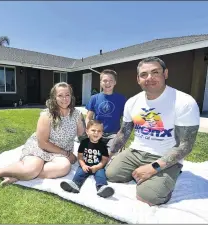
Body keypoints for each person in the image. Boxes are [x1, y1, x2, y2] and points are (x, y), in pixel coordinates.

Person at [105, 56, 200, 206]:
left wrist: (153, 168)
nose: (149, 78)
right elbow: (124, 133)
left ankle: (167, 175)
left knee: (148, 196)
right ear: (138, 79)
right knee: (111, 175)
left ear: (165, 74)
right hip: (136, 151)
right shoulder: (132, 102)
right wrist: (108, 154)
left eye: (155, 72)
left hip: (166, 156)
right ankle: (140, 171)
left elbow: (185, 145)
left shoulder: (184, 102)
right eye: (144, 74)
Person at [0, 82, 86, 185]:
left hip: (60, 152)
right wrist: (67, 154)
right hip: (41, 148)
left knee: (64, 167)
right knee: (31, 169)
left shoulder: (77, 114)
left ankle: (20, 175)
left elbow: (82, 136)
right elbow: (43, 143)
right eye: (60, 95)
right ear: (54, 98)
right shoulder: (47, 115)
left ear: (71, 96)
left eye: (67, 95)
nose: (64, 99)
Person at [60, 119, 114, 198]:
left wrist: (98, 167)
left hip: (98, 166)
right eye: (93, 130)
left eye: (99, 131)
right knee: (79, 173)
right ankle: (75, 184)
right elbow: (80, 157)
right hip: (85, 164)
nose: (96, 133)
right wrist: (83, 165)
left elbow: (104, 159)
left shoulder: (103, 145)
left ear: (102, 133)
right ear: (87, 131)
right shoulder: (84, 143)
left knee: (101, 175)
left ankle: (102, 188)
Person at [85, 69, 126, 150]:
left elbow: (126, 120)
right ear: (100, 83)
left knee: (111, 154)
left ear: (115, 82)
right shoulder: (94, 98)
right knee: (95, 154)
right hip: (98, 132)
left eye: (111, 80)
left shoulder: (121, 99)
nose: (108, 83)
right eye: (105, 81)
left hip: (114, 134)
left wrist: (121, 135)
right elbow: (88, 117)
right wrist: (89, 130)